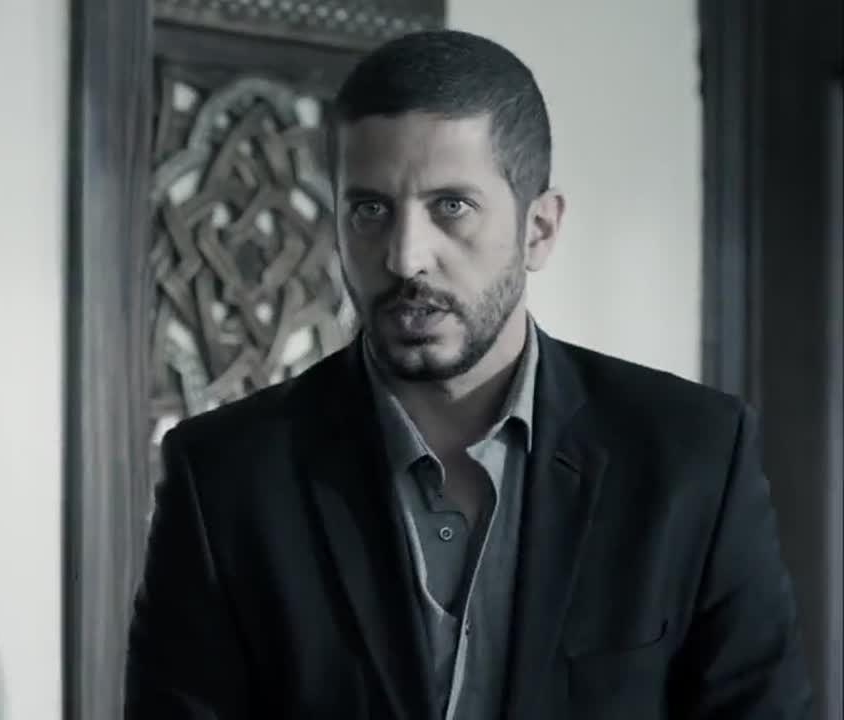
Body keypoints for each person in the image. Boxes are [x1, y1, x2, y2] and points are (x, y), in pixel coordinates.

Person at [123, 29, 813, 720]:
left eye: (451, 206)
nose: (405, 257)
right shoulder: (225, 477)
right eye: (370, 210)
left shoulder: (690, 457)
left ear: (539, 229)